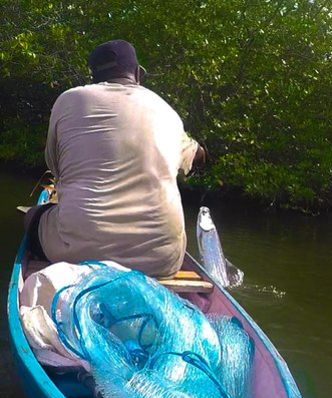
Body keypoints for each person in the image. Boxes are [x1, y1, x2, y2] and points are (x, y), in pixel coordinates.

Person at [24, 39, 206, 277]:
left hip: (77, 252)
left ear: (93, 76)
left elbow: (54, 165)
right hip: (162, 260)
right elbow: (196, 157)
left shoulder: (68, 100)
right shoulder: (167, 111)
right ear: (138, 74)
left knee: (31, 217)